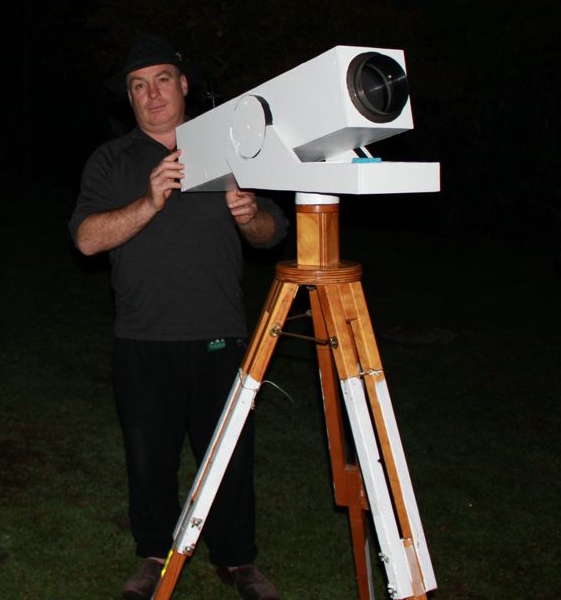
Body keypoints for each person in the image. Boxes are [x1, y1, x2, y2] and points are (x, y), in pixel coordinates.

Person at [69, 34, 288, 600]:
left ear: (184, 84)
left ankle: (237, 560)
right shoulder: (111, 160)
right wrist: (148, 201)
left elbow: (272, 232)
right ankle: (153, 555)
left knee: (229, 457)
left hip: (219, 332)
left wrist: (248, 216)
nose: (152, 94)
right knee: (149, 459)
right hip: (142, 337)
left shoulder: (227, 147)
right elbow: (87, 240)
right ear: (129, 97)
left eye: (162, 79)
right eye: (138, 85)